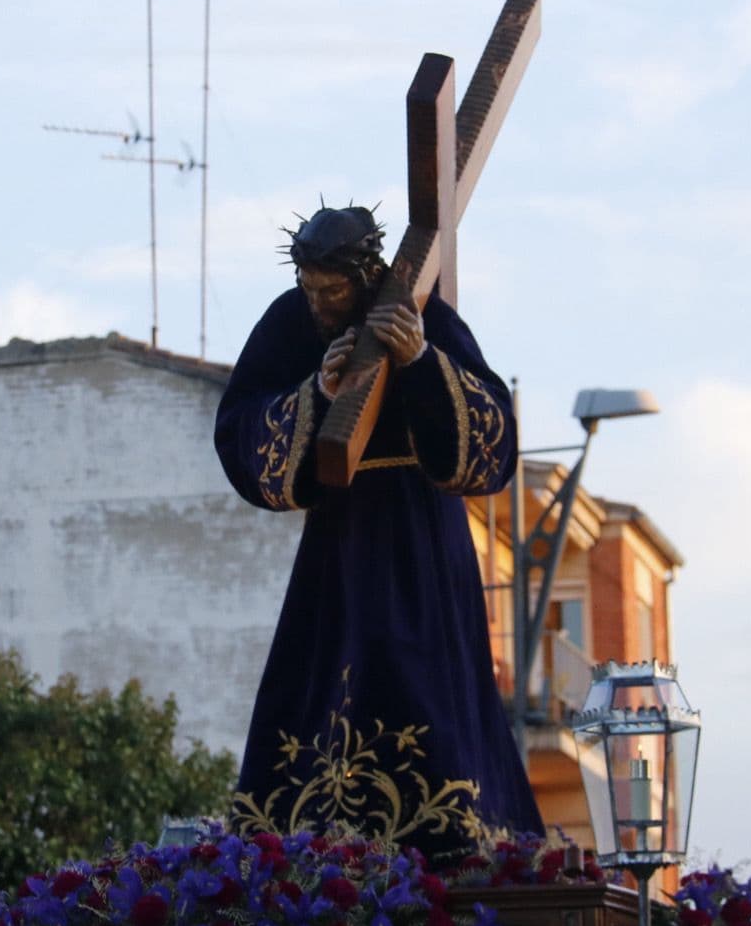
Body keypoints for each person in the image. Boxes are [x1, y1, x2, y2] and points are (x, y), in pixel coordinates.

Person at [214, 204, 542, 860]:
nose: (318, 304)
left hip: (424, 540)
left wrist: (419, 359)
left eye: (331, 291)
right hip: (340, 540)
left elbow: (493, 441)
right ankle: (306, 842)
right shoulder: (289, 323)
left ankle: (455, 833)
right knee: (332, 675)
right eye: (309, 288)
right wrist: (317, 394)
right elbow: (239, 427)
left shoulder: (421, 311)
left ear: (364, 274)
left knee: (424, 676)